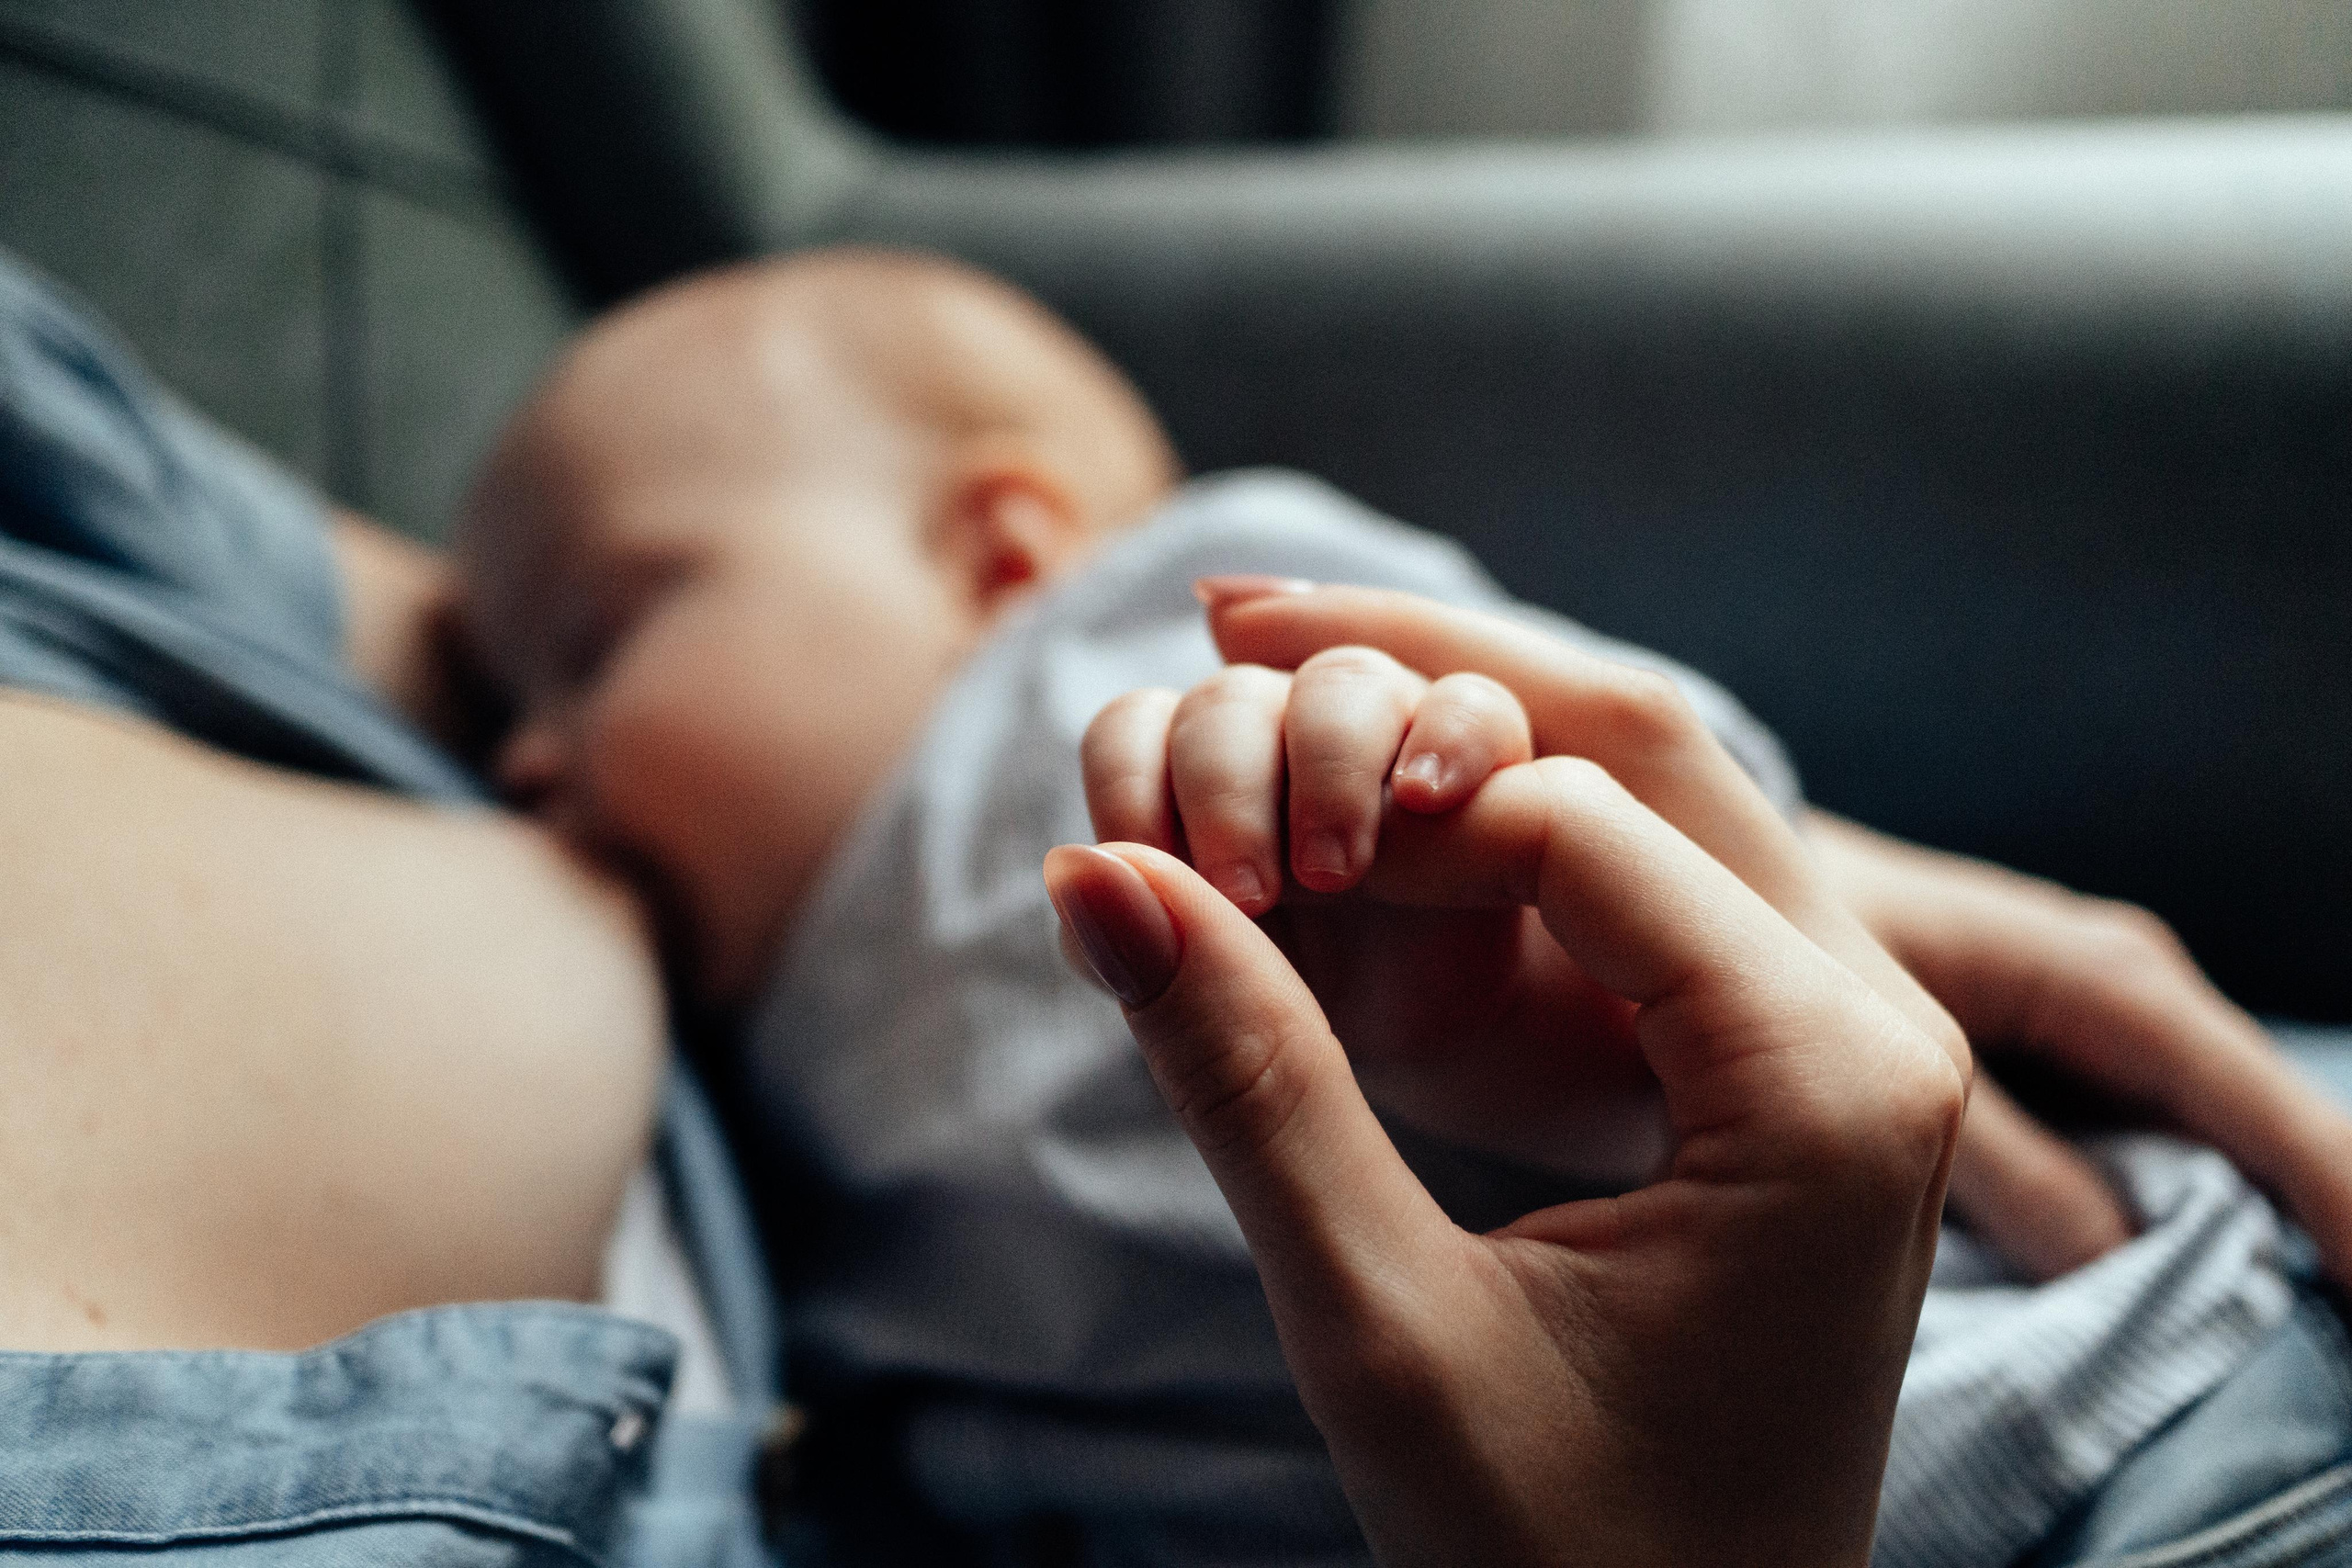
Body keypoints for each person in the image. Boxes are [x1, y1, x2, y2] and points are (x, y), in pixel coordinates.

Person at [447, 247, 2352, 1565]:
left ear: (997, 551)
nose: (526, 758)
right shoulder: (732, 1134)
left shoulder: (1129, 659)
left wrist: (1377, 766)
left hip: (2100, 1419)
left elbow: (1648, 791)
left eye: (599, 640)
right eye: (503, 706)